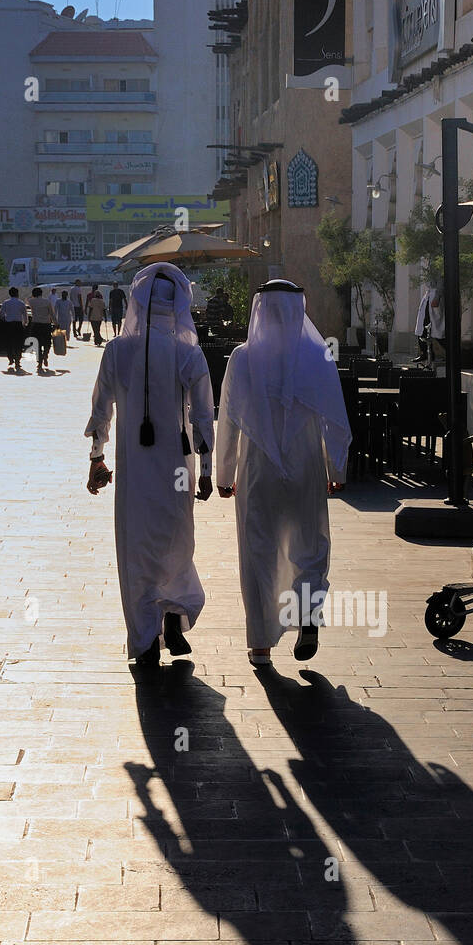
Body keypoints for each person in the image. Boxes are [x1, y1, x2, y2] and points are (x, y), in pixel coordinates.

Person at [84, 263, 215, 667]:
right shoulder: (188, 353)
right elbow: (202, 417)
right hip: (177, 467)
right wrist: (208, 469)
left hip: (134, 471)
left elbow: (101, 408)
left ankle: (143, 637)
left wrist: (96, 458)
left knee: (136, 547)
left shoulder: (117, 351)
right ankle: (173, 611)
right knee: (176, 541)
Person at [215, 279, 351, 667]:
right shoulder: (317, 355)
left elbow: (228, 421)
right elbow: (334, 419)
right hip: (306, 467)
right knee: (309, 546)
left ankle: (260, 644)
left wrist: (223, 474)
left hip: (258, 473)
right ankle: (307, 616)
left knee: (259, 553)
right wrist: (335, 467)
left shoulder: (242, 358)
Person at [0, 286, 28, 371]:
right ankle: (18, 361)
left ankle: (10, 358)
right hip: (18, 325)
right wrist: (25, 324)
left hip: (9, 325)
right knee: (19, 343)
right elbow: (25, 316)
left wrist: (5, 321)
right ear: (17, 294)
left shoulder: (5, 303)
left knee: (9, 342)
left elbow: (1, 315)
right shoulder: (21, 303)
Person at [29, 286, 56, 371]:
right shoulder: (47, 302)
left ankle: (39, 362)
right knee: (47, 343)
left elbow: (28, 298)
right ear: (41, 293)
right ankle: (45, 355)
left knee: (37, 344)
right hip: (46, 325)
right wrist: (56, 323)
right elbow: (52, 314)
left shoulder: (31, 301)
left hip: (36, 325)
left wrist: (32, 295)